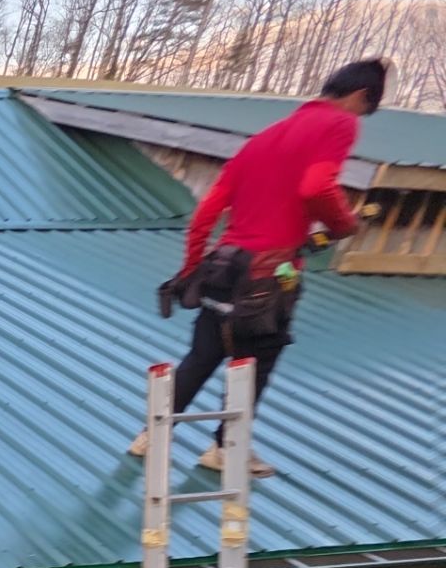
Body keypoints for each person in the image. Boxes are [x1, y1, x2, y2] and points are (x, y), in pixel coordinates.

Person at [131, 58, 388, 478]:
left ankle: (148, 437)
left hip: (223, 267)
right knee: (257, 359)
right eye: (365, 108)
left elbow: (206, 213)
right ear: (360, 96)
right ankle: (225, 449)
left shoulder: (263, 138)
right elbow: (316, 186)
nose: (361, 118)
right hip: (273, 274)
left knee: (203, 354)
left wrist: (192, 268)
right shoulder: (339, 125)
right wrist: (344, 223)